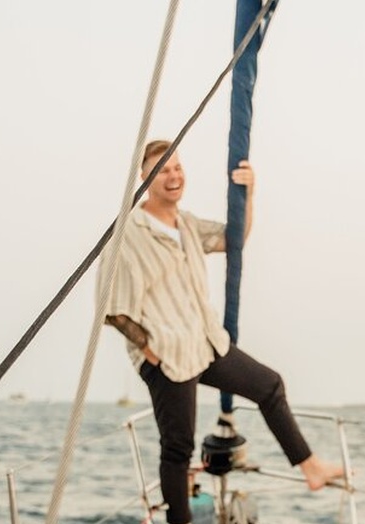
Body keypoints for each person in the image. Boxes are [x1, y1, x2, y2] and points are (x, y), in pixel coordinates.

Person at [98, 139, 343, 524]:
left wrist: (249, 191)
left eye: (177, 167)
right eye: (162, 169)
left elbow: (234, 239)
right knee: (178, 449)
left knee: (269, 385)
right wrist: (152, 353)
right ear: (143, 178)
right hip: (166, 357)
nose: (173, 175)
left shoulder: (188, 224)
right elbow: (112, 310)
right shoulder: (129, 233)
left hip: (205, 343)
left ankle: (311, 467)